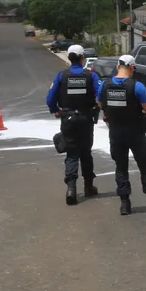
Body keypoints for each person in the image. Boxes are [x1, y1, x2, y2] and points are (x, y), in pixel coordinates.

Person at [98, 55, 146, 216]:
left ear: (117, 66)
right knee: (145, 167)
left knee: (121, 168)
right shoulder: (137, 86)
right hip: (136, 132)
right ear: (132, 68)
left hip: (115, 133)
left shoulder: (104, 85)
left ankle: (125, 204)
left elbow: (101, 104)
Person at [46, 44, 102, 205]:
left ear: (69, 58)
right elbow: (100, 95)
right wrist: (97, 108)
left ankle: (71, 189)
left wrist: (56, 110)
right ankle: (89, 186)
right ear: (83, 57)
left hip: (68, 119)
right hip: (85, 119)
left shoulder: (61, 76)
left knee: (71, 154)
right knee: (86, 153)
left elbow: (50, 99)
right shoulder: (91, 76)